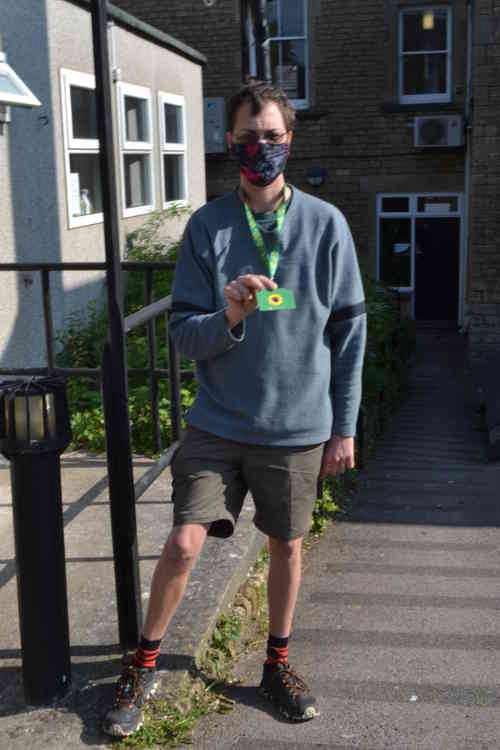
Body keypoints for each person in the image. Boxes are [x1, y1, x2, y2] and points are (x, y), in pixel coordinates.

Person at [103, 81, 366, 737]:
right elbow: (182, 334)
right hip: (218, 424)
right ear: (230, 143)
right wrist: (230, 315)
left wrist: (345, 426)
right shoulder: (209, 227)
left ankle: (276, 663)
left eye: (272, 137)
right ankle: (142, 664)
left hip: (298, 428)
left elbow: (349, 334)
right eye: (248, 138)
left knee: (287, 544)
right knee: (185, 541)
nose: (261, 149)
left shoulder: (326, 225)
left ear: (290, 141)